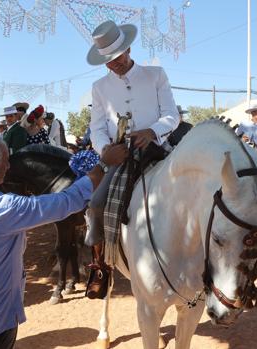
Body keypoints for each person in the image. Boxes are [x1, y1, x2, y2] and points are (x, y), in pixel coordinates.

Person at [0, 131, 126, 349]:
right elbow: (67, 201)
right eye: (5, 163)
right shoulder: (0, 207)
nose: (8, 167)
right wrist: (104, 164)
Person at [85, 20, 179, 298]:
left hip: (158, 149)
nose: (113, 65)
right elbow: (97, 128)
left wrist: (153, 131)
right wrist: (105, 150)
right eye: (107, 62)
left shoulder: (155, 74)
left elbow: (172, 115)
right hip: (120, 155)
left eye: (116, 58)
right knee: (96, 204)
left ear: (127, 49)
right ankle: (100, 266)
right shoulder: (99, 87)